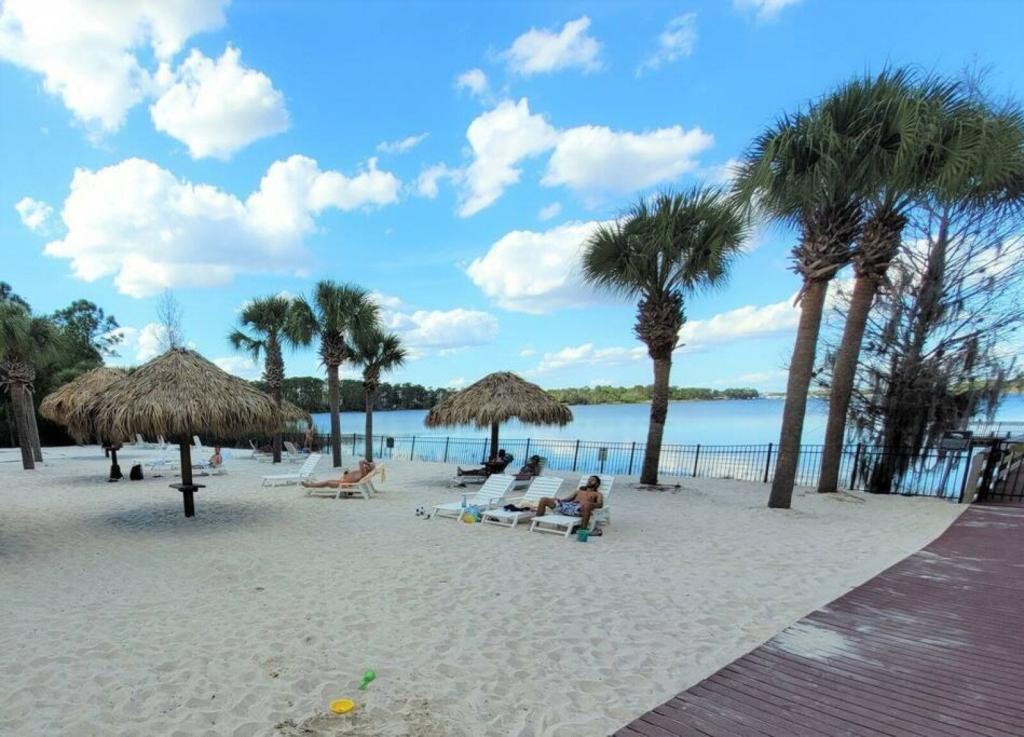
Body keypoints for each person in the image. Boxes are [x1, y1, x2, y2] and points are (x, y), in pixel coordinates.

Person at [535, 475, 603, 529]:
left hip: (579, 510)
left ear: (597, 484)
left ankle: (582, 530)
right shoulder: (578, 491)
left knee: (586, 505)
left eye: (592, 480)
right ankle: (536, 523)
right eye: (589, 479)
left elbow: (600, 505)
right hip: (566, 507)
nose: (589, 481)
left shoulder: (598, 494)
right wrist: (558, 500)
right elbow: (567, 499)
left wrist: (589, 504)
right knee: (544, 499)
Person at [302, 459, 375, 489]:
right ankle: (313, 484)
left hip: (344, 485)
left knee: (327, 483)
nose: (366, 465)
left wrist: (367, 463)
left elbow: (360, 462)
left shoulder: (364, 473)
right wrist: (347, 474)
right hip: (343, 481)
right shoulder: (362, 471)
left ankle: (309, 485)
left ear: (369, 469)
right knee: (328, 481)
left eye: (368, 466)